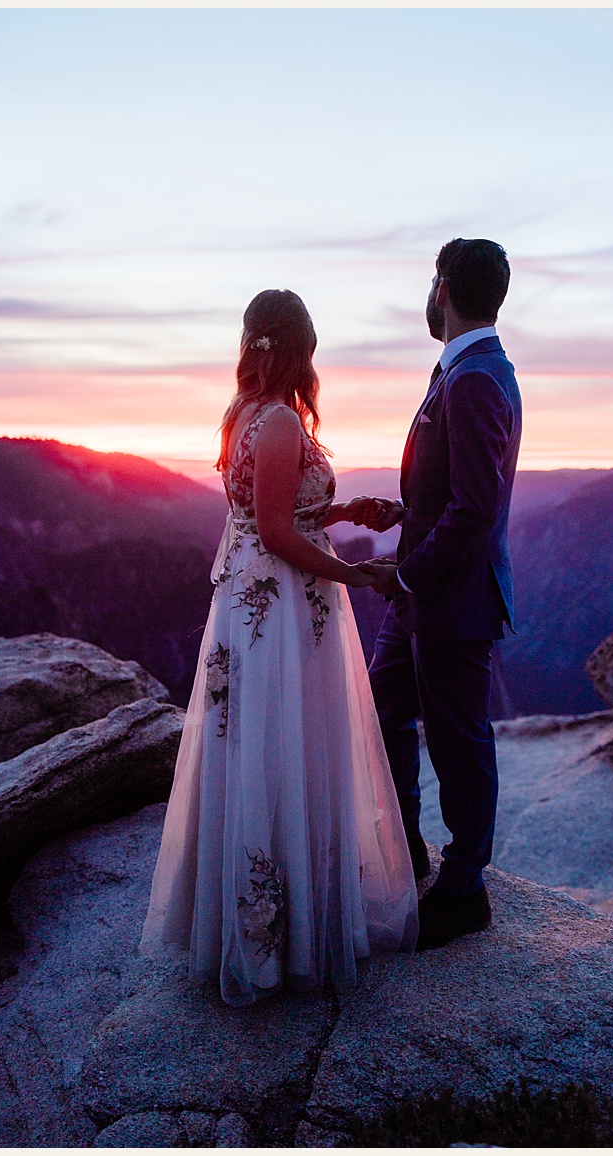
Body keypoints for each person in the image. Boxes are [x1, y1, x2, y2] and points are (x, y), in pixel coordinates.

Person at [140, 289, 422, 1007]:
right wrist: (359, 575)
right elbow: (276, 533)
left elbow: (274, 510)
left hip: (256, 602)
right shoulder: (279, 423)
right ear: (302, 347)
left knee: (264, 751)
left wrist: (346, 510)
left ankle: (273, 916)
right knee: (283, 748)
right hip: (283, 610)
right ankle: (278, 937)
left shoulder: (246, 416)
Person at [355, 238, 524, 950]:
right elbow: (451, 491)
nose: (427, 297)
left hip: (449, 600)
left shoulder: (477, 377)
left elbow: (477, 507)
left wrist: (405, 571)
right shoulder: (458, 368)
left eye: (431, 284)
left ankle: (464, 887)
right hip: (422, 594)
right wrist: (402, 514)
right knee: (384, 706)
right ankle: (406, 849)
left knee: (460, 740)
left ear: (446, 289)